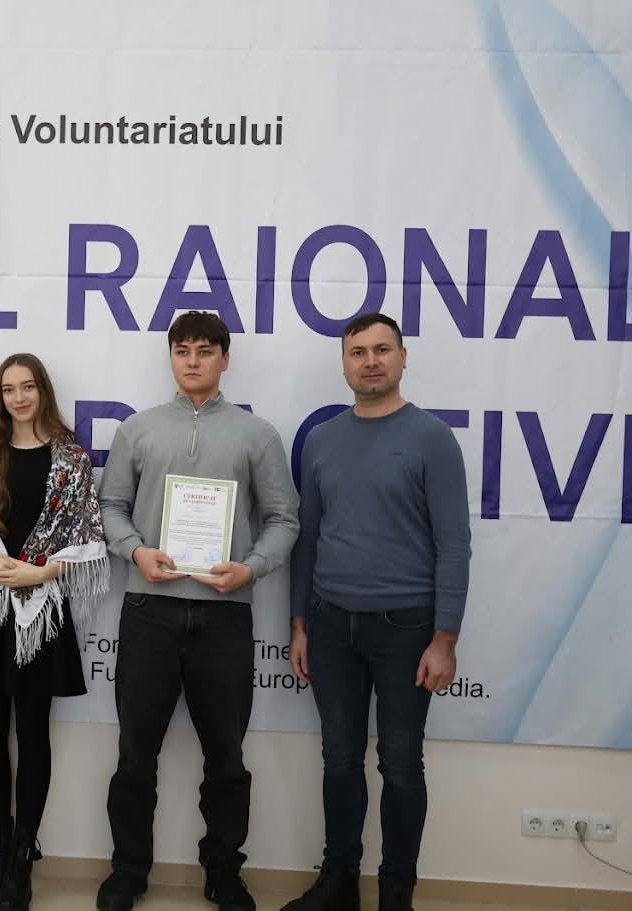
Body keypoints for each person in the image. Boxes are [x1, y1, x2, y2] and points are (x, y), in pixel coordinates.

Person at [97, 311, 300, 911]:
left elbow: (283, 519)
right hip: (149, 611)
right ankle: (128, 871)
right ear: (171, 357)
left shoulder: (256, 435)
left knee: (228, 759)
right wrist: (136, 551)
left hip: (224, 615)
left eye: (205, 351)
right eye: (182, 350)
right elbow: (111, 506)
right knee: (135, 756)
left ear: (224, 359)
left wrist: (251, 568)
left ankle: (224, 872)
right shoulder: (138, 430)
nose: (192, 360)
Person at [281, 313, 470, 911]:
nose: (370, 361)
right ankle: (338, 883)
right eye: (358, 352)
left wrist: (444, 638)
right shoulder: (322, 440)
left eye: (382, 350)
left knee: (401, 765)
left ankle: (395, 894)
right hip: (330, 625)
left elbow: (454, 544)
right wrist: (299, 624)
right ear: (344, 363)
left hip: (406, 630)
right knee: (338, 759)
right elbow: (309, 539)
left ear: (402, 357)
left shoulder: (433, 439)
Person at [0, 353, 109, 911]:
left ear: (42, 391)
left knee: (34, 732)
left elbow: (87, 535)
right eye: (8, 389)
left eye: (27, 387)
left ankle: (23, 857)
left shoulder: (71, 459)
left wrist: (42, 572)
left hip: (42, 608)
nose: (18, 398)